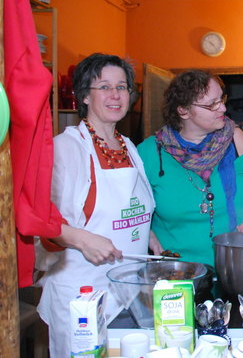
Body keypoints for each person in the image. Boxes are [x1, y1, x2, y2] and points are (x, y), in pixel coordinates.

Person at [35, 53, 156, 358]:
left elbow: (132, 208)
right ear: (85, 96)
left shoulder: (128, 146)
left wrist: (149, 237)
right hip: (83, 294)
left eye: (123, 86)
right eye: (104, 86)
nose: (116, 94)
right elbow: (41, 223)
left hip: (129, 292)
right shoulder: (67, 148)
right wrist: (83, 239)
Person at [137, 70, 243, 265]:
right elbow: (131, 206)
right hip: (176, 271)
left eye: (221, 99)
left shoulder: (235, 139)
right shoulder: (150, 153)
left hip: (235, 266)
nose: (223, 108)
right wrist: (147, 234)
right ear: (183, 111)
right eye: (211, 104)